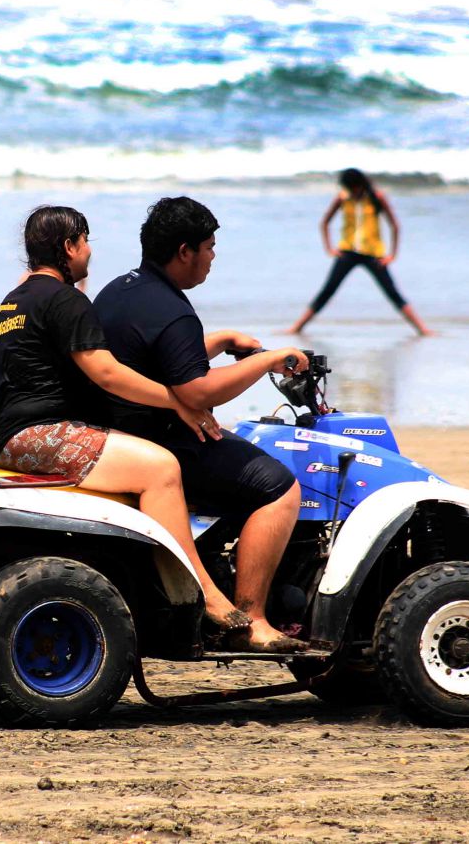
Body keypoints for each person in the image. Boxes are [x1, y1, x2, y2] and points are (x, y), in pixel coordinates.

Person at [0, 205, 251, 638]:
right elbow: (108, 372)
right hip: (37, 434)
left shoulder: (15, 300)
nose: (89, 252)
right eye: (85, 242)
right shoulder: (67, 299)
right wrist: (178, 402)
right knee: (161, 468)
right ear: (68, 246)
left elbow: (122, 359)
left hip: (5, 432)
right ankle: (205, 593)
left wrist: (216, 342)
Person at [94, 196, 311, 653]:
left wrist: (221, 341)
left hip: (113, 433)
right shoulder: (173, 309)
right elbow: (197, 392)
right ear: (184, 251)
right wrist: (272, 359)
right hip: (160, 443)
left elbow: (158, 357)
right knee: (279, 486)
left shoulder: (121, 290)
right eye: (209, 246)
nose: (213, 256)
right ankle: (252, 619)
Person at [286, 168, 432, 336]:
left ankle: (422, 329)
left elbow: (394, 225)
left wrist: (392, 254)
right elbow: (325, 222)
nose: (353, 190)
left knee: (392, 292)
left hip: (373, 253)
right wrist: (329, 248)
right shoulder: (342, 198)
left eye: (355, 187)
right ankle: (297, 328)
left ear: (361, 184)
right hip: (347, 251)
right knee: (328, 289)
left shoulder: (376, 198)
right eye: (350, 188)